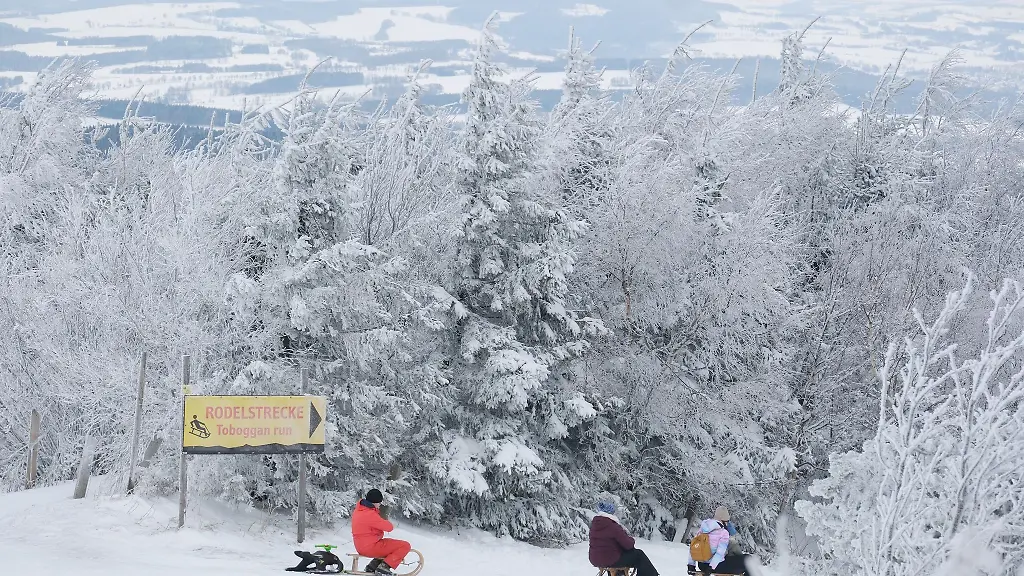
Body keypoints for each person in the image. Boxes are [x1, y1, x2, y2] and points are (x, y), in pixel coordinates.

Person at [588, 496, 660, 576]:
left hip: (595, 558)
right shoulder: (612, 526)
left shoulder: (594, 526)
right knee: (639, 555)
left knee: (616, 555)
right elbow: (628, 545)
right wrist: (631, 539)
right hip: (610, 559)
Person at [351, 489, 411, 575]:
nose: (380, 505)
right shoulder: (370, 514)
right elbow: (389, 527)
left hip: (361, 546)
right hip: (370, 548)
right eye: (379, 503)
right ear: (374, 502)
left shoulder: (359, 511)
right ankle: (384, 567)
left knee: (387, 544)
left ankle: (373, 566)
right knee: (405, 545)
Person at [687, 506, 749, 575]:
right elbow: (720, 553)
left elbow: (694, 547)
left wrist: (691, 565)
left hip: (702, 565)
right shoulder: (723, 533)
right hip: (717, 566)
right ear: (724, 521)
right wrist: (711, 567)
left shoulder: (702, 530)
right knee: (749, 560)